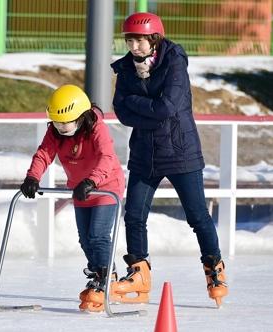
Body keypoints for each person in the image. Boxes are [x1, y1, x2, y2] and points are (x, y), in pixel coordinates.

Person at [110, 12, 228, 307]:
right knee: (134, 215)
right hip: (144, 153)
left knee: (197, 216)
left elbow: (167, 107)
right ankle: (139, 273)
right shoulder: (125, 68)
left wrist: (135, 104)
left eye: (138, 40)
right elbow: (121, 112)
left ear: (154, 39)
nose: (133, 46)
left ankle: (214, 269)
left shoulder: (174, 62)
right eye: (129, 40)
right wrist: (141, 108)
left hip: (180, 151)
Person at [20, 84, 125, 312]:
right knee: (85, 240)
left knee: (98, 236)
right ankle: (99, 274)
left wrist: (92, 181)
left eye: (64, 122)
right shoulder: (56, 131)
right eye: (56, 123)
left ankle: (109, 278)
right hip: (81, 189)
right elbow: (44, 154)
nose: (60, 127)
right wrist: (32, 176)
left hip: (106, 187)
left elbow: (107, 157)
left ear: (80, 116)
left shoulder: (96, 127)